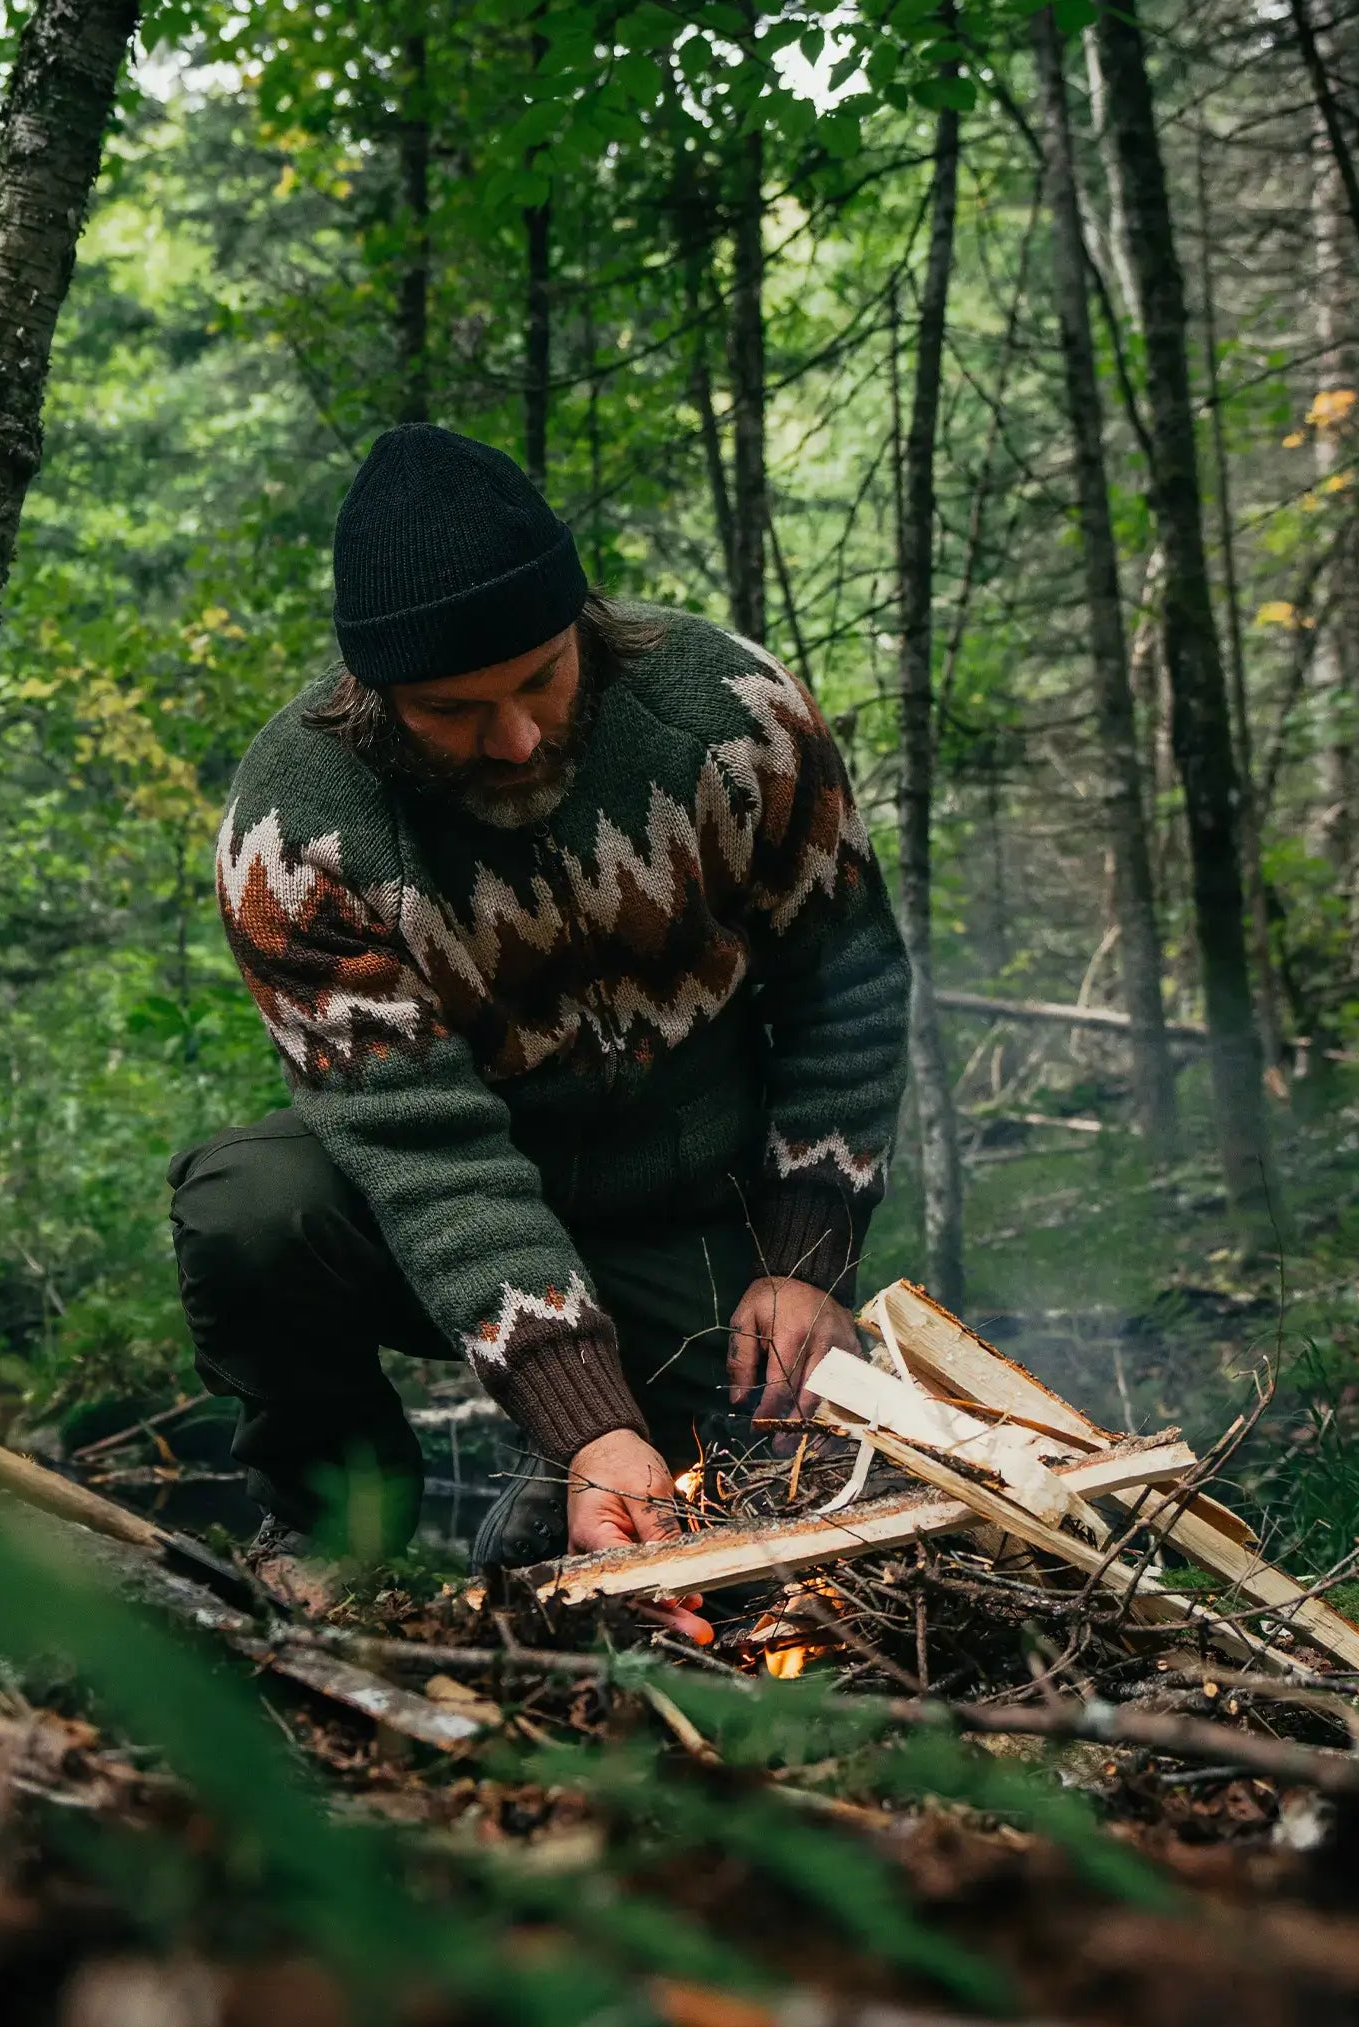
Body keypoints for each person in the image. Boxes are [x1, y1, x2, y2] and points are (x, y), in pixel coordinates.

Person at [168, 424, 907, 1600]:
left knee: (806, 1536)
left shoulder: (732, 719)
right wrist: (583, 1414)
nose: (513, 737)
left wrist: (808, 1254)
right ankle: (338, 1538)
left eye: (539, 679)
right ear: (375, 689)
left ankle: (560, 1492)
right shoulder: (297, 837)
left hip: (703, 1222)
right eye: (453, 709)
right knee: (249, 1208)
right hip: (447, 1223)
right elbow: (430, 1158)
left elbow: (844, 987)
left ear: (584, 627)